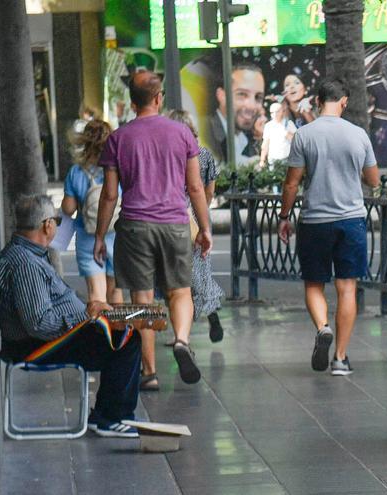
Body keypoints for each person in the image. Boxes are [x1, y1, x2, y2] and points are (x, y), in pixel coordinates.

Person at [95, 71, 213, 386]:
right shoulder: (182, 133)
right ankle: (182, 341)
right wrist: (204, 227)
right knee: (179, 292)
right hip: (174, 223)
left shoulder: (118, 139)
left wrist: (99, 235)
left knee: (141, 301)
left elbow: (109, 194)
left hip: (134, 226)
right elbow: (196, 186)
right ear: (159, 98)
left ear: (132, 103)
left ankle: (148, 373)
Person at [0, 195, 141, 438]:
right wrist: (84, 316)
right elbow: (39, 324)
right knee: (125, 341)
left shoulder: (31, 255)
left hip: (54, 336)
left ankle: (106, 414)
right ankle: (112, 417)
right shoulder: (25, 264)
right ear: (47, 225)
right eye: (56, 221)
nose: (56, 226)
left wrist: (89, 313)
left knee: (122, 330)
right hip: (37, 345)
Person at [277, 78, 380, 376]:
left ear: (318, 101)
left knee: (313, 284)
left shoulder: (304, 135)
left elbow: (292, 182)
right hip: (351, 220)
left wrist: (284, 216)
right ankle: (340, 359)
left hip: (314, 221)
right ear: (344, 101)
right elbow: (373, 180)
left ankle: (323, 327)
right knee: (347, 287)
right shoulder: (358, 134)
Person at [166, 109, 226, 346]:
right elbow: (209, 189)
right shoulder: (203, 154)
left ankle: (181, 335)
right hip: (197, 218)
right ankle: (211, 313)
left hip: (171, 219)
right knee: (200, 271)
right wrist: (202, 212)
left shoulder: (168, 155)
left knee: (175, 279)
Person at [61, 119, 124, 305]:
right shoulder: (118, 169)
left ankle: (100, 333)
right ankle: (118, 333)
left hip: (88, 237)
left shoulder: (75, 172)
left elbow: (68, 208)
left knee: (97, 296)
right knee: (115, 292)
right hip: (117, 236)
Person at [204, 63, 267, 165]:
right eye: (242, 94)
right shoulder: (204, 132)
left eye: (258, 97)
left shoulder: (245, 139)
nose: (251, 106)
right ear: (221, 96)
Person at [259, 102, 297, 168]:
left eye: (277, 111)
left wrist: (286, 132)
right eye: (272, 112)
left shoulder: (289, 123)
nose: (275, 114)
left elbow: (296, 141)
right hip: (273, 160)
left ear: (282, 112)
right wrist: (262, 160)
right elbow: (265, 144)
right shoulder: (268, 126)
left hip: (287, 159)